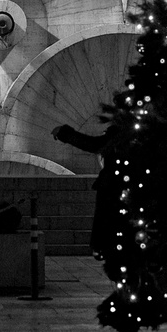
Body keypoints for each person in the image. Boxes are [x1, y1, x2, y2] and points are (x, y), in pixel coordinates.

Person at [53, 114, 133, 279]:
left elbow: (92, 144)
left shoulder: (119, 136)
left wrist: (65, 134)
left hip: (114, 192)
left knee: (113, 234)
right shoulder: (143, 136)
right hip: (129, 194)